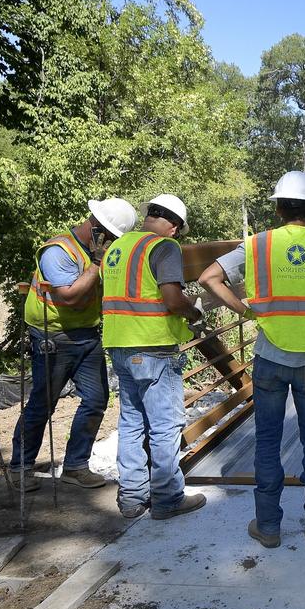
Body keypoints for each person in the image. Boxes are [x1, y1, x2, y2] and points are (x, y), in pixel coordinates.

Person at [199, 171, 305, 548]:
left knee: (267, 439)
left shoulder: (257, 245)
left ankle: (268, 525)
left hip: (268, 357)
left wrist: (245, 311)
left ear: (278, 208)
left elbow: (208, 277)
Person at [10, 197, 137, 491]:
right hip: (53, 337)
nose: (113, 243)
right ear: (97, 228)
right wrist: (96, 263)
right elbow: (69, 295)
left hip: (86, 335)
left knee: (95, 400)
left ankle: (76, 465)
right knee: (43, 404)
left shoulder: (97, 251)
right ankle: (20, 466)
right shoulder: (58, 251)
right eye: (112, 236)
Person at [102, 194, 206, 520]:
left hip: (119, 345)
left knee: (131, 423)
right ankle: (168, 498)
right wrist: (194, 313)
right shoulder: (164, 247)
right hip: (154, 348)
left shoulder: (117, 248)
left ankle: (132, 499)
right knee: (164, 426)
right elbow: (172, 299)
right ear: (173, 226)